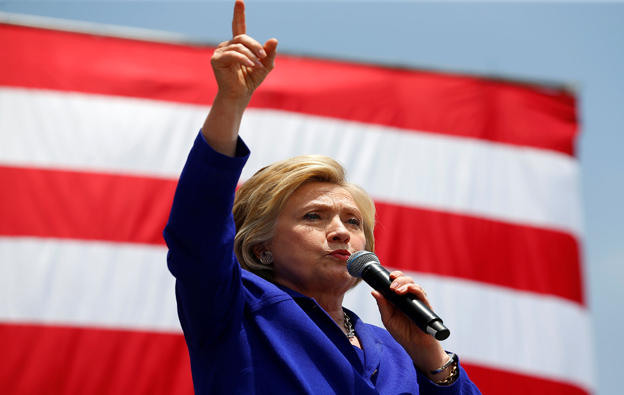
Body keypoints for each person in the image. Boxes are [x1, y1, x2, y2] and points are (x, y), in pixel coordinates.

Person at [164, 1, 482, 393]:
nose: (340, 233)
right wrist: (230, 102)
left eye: (353, 221)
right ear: (262, 247)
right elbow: (197, 233)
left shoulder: (395, 350)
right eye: (314, 216)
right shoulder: (236, 310)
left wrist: (431, 358)